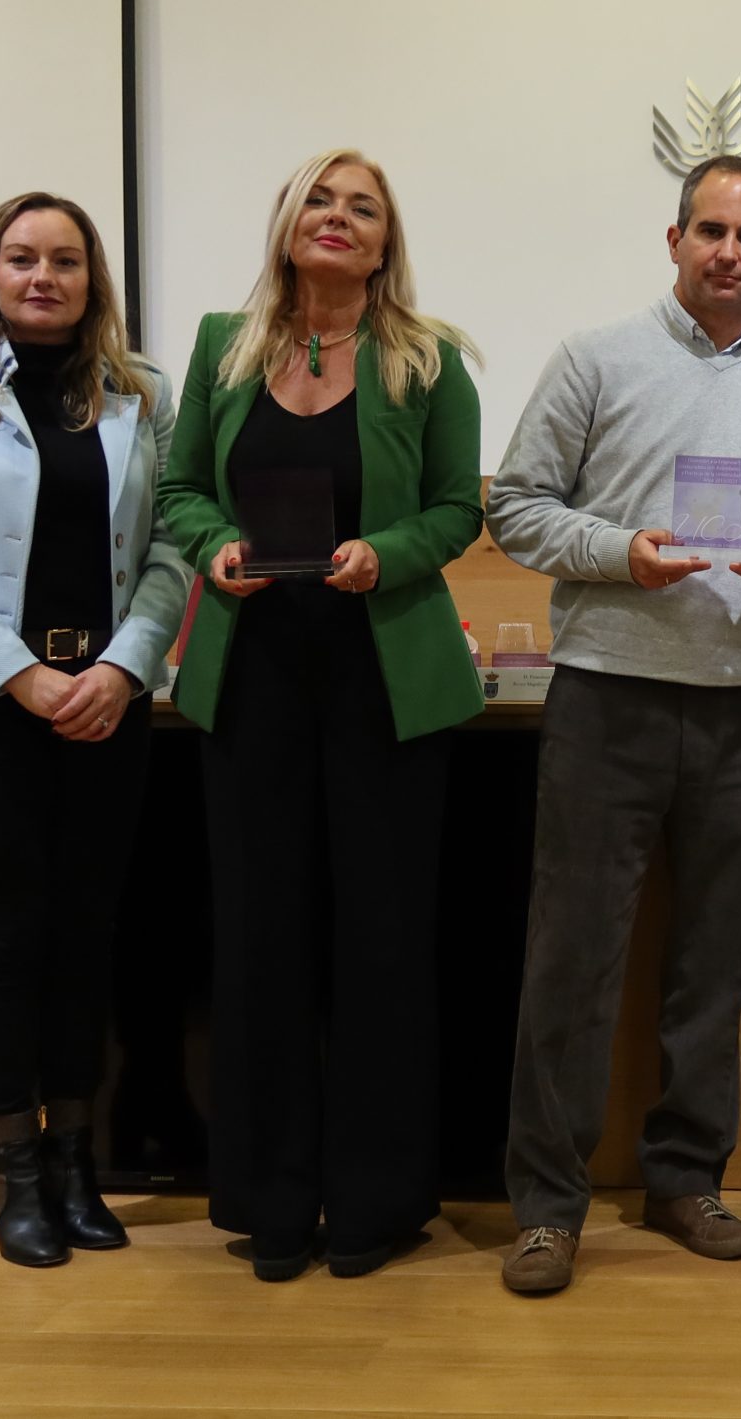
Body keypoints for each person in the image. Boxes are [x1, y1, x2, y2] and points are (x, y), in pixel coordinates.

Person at [488, 155, 741, 1297]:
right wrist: (616, 552)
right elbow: (514, 506)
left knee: (713, 961)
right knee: (572, 959)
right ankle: (548, 1208)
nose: (729, 251)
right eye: (710, 231)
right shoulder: (594, 359)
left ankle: (687, 1179)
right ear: (673, 240)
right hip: (607, 696)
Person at [157, 148, 486, 1282]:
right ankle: (272, 1198)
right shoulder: (223, 346)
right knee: (261, 941)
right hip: (251, 676)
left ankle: (375, 1201)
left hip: (383, 683)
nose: (337, 217)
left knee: (381, 942)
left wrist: (382, 552)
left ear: (386, 243)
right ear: (288, 222)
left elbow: (456, 510)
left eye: (363, 208)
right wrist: (216, 545)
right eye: (319, 200)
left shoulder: (428, 359)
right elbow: (180, 490)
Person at [0, 191, 189, 1267]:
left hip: (109, 698)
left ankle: (75, 1163)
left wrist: (123, 666)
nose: (42, 277)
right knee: (10, 935)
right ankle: (13, 1166)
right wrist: (22, 676)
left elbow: (171, 547)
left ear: (93, 279)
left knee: (87, 932)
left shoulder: (140, 392)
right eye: (21, 259)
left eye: (64, 260)